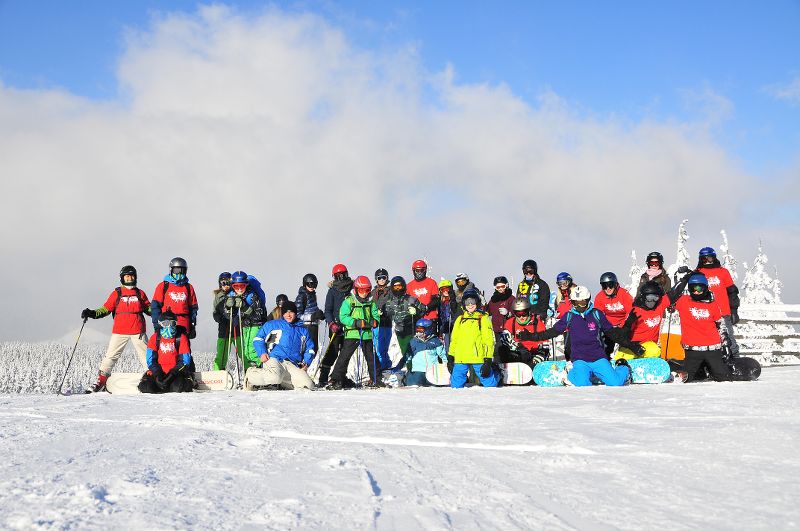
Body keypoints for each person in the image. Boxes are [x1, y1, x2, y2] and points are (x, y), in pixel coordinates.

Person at [520, 286, 631, 387]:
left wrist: (631, 345)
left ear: (587, 301)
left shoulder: (596, 314)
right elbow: (551, 332)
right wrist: (530, 336)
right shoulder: (569, 316)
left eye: (582, 303)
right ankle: (570, 371)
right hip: (580, 359)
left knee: (616, 383)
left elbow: (612, 333)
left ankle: (623, 367)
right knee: (583, 384)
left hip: (598, 357)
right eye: (575, 303)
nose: (578, 306)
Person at [81, 265, 151, 392]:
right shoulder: (117, 293)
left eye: (132, 276)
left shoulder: (140, 293)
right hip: (120, 331)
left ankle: (153, 378)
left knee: (146, 356)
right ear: (122, 278)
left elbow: (149, 309)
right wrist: (91, 313)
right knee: (111, 356)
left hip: (138, 330)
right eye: (127, 276)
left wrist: (161, 312)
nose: (129, 279)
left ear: (135, 277)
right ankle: (101, 381)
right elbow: (105, 309)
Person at [666, 270, 737, 382]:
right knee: (686, 379)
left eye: (699, 288)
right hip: (692, 350)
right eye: (693, 288)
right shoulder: (683, 301)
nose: (696, 291)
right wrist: (685, 280)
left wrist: (726, 341)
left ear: (705, 288)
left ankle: (707, 369)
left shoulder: (713, 304)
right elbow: (669, 298)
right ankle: (696, 369)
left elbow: (721, 325)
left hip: (713, 349)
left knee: (724, 378)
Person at [246, 301, 316, 390]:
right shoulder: (272, 325)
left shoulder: (303, 330)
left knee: (308, 385)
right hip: (274, 358)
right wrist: (262, 353)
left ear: (295, 313)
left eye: (291, 312)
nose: (288, 315)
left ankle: (281, 382)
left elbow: (310, 348)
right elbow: (258, 339)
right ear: (282, 314)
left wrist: (306, 362)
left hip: (292, 363)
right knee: (274, 377)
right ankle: (251, 376)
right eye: (286, 312)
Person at [329, 275, 383, 389]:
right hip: (353, 333)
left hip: (367, 334)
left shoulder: (371, 302)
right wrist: (355, 322)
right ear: (356, 289)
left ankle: (376, 379)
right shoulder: (349, 301)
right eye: (362, 290)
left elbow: (375, 315)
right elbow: (343, 317)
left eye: (367, 290)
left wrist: (375, 321)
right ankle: (336, 379)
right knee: (345, 356)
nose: (364, 293)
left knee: (371, 357)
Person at [446, 290, 498, 389]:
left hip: (478, 357)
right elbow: (454, 339)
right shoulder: (460, 319)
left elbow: (488, 340)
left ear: (477, 303)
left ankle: (497, 374)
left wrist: (487, 360)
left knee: (490, 384)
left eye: (473, 302)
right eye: (467, 302)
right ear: (463, 304)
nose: (470, 305)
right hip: (461, 357)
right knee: (456, 386)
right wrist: (451, 356)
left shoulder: (482, 318)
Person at [695, 246, 741, 352]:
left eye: (709, 258)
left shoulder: (723, 272)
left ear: (714, 258)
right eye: (704, 259)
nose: (707, 261)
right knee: (706, 340)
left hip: (723, 313)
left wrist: (734, 310)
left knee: (728, 339)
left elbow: (732, 292)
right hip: (704, 314)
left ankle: (734, 359)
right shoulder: (697, 273)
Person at [219, 271, 267, 369]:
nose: (240, 289)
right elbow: (227, 315)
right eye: (236, 286)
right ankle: (252, 373)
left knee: (252, 348)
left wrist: (245, 307)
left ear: (246, 285)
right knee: (246, 350)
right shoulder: (231, 295)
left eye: (242, 286)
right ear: (233, 286)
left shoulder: (252, 295)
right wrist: (228, 307)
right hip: (245, 325)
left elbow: (259, 314)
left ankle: (258, 370)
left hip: (256, 325)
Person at [138, 310, 195, 393]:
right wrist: (157, 374)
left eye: (172, 323)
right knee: (146, 387)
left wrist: (172, 374)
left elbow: (184, 361)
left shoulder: (181, 338)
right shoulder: (155, 338)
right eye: (165, 324)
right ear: (161, 324)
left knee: (178, 387)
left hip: (175, 373)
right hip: (159, 372)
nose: (169, 326)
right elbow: (151, 360)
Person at [615, 281, 669, 361]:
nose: (652, 301)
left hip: (647, 344)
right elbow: (622, 334)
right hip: (631, 345)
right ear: (643, 297)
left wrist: (686, 278)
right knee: (623, 359)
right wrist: (628, 323)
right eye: (649, 297)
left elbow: (673, 294)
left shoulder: (660, 305)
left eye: (655, 297)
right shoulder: (635, 311)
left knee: (655, 351)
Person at [379, 276, 424, 368]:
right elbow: (386, 313)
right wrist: (381, 313)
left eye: (400, 286)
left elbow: (423, 309)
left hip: (412, 330)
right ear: (392, 288)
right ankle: (410, 370)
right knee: (405, 351)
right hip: (400, 332)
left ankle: (416, 370)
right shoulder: (390, 302)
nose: (398, 289)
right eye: (395, 287)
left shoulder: (411, 299)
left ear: (404, 286)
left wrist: (416, 311)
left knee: (414, 351)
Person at [319, 264, 353, 386]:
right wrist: (331, 323)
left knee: (346, 353)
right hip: (336, 327)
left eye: (343, 274)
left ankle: (340, 377)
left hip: (350, 326)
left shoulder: (352, 288)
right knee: (333, 352)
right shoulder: (332, 291)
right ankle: (323, 378)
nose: (342, 277)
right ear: (335, 277)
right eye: (338, 276)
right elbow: (327, 310)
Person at [151, 257, 198, 340]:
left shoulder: (188, 287)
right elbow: (155, 306)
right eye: (176, 270)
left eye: (182, 271)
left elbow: (193, 308)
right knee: (168, 349)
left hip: (183, 323)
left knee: (183, 348)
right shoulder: (163, 286)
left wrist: (193, 325)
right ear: (171, 270)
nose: (179, 273)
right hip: (166, 322)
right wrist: (156, 324)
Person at [496, 297, 548, 366]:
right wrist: (519, 347)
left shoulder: (538, 324)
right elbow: (504, 339)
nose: (521, 317)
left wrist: (536, 360)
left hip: (533, 355)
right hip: (518, 353)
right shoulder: (510, 322)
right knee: (501, 349)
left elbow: (545, 346)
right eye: (518, 314)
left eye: (524, 313)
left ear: (528, 312)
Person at [593, 272, 634, 356]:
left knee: (626, 345)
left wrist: (623, 326)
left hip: (623, 324)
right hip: (609, 326)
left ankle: (625, 356)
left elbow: (630, 312)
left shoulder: (624, 294)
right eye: (605, 285)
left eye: (610, 285)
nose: (608, 288)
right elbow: (598, 316)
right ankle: (605, 358)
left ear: (615, 285)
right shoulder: (600, 297)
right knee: (604, 345)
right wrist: (606, 327)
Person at [400, 318, 447, 386]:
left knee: (436, 386)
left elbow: (443, 355)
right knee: (413, 385)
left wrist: (446, 366)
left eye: (421, 330)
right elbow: (408, 356)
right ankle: (407, 379)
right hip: (418, 370)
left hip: (432, 370)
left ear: (428, 329)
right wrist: (400, 365)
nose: (418, 332)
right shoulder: (413, 341)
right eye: (417, 329)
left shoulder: (435, 341)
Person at [295, 273, 325, 360]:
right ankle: (301, 368)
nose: (312, 287)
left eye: (314, 284)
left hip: (313, 326)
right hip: (305, 327)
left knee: (314, 349)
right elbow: (297, 315)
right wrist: (312, 317)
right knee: (307, 349)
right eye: (310, 284)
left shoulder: (312, 295)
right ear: (305, 284)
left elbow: (312, 308)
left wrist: (320, 314)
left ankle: (306, 368)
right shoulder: (301, 296)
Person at [212, 272, 235, 371]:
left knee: (243, 351)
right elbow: (215, 312)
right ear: (220, 283)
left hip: (236, 327)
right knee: (222, 353)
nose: (226, 285)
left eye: (228, 283)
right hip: (224, 328)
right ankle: (218, 372)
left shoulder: (235, 293)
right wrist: (219, 318)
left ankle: (249, 370)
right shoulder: (218, 296)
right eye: (223, 283)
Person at [371, 268, 393, 369]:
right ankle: (381, 367)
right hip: (376, 324)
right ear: (376, 279)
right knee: (378, 348)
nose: (382, 280)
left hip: (387, 323)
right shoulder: (373, 292)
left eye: (384, 278)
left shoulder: (390, 291)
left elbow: (394, 305)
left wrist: (386, 312)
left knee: (384, 348)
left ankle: (386, 366)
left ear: (387, 278)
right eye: (379, 278)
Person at [486, 276, 515, 343]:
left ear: (506, 285)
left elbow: (516, 313)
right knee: (498, 350)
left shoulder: (511, 298)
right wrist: (482, 304)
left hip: (508, 330)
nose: (501, 289)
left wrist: (508, 313)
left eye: (503, 286)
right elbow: (487, 312)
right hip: (496, 331)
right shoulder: (493, 300)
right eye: (498, 287)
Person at [437, 279, 459, 349]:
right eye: (443, 289)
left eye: (447, 289)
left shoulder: (455, 299)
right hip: (444, 327)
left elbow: (455, 310)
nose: (445, 291)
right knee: (446, 345)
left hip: (454, 326)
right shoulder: (440, 302)